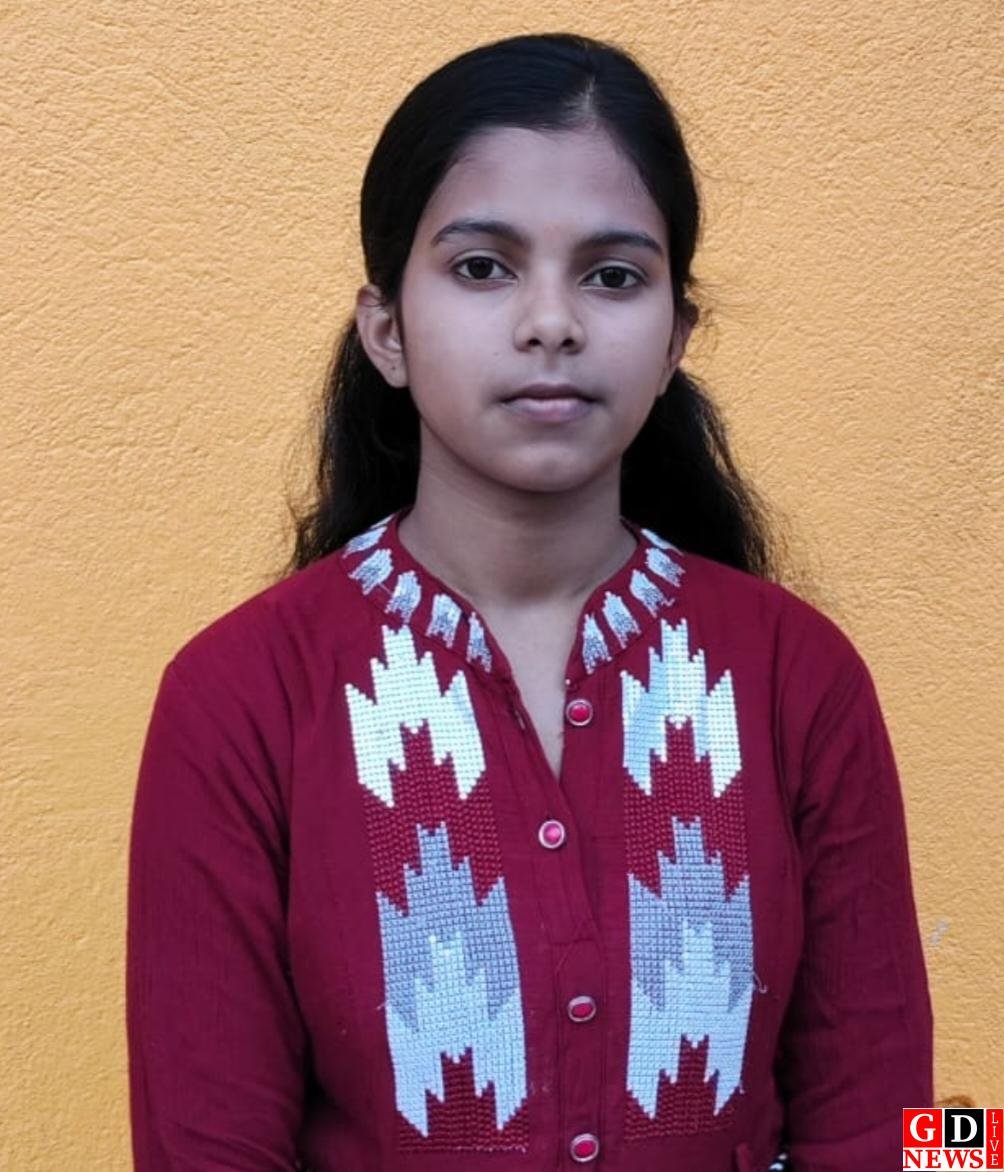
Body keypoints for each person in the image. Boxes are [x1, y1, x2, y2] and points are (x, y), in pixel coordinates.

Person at [125, 31, 933, 1172]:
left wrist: (974, 1150)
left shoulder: (799, 676)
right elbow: (201, 1145)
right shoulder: (239, 697)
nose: (551, 322)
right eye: (481, 267)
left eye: (612, 276)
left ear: (675, 340)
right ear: (387, 332)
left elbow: (903, 1127)